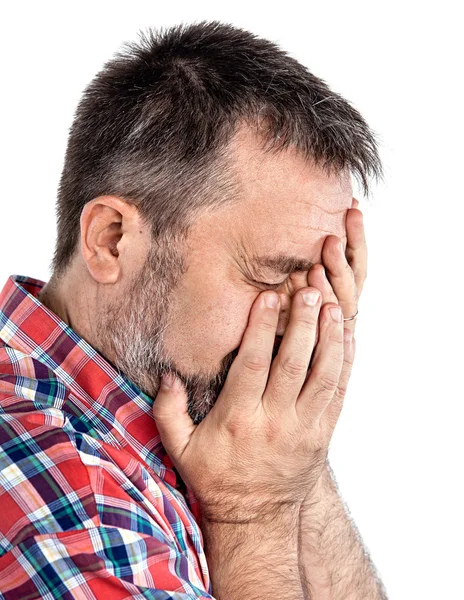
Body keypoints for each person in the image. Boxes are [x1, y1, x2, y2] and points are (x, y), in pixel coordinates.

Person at [0, 20, 388, 599]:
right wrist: (251, 515)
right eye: (270, 275)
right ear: (111, 239)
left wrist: (293, 464)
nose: (303, 325)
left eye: (324, 285)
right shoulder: (66, 499)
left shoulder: (187, 424)